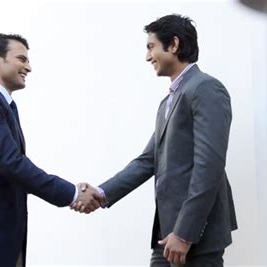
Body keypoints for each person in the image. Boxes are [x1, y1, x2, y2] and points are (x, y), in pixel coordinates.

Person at [76, 14, 238, 266]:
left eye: (151, 47)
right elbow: (146, 162)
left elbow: (209, 166)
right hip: (167, 234)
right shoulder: (169, 101)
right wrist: (101, 193)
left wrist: (185, 232)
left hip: (194, 236)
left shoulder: (205, 89)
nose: (147, 56)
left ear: (173, 45)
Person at [0, 33, 103, 267]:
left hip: (4, 241)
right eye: (22, 59)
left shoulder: (4, 108)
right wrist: (73, 194)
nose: (29, 67)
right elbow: (12, 163)